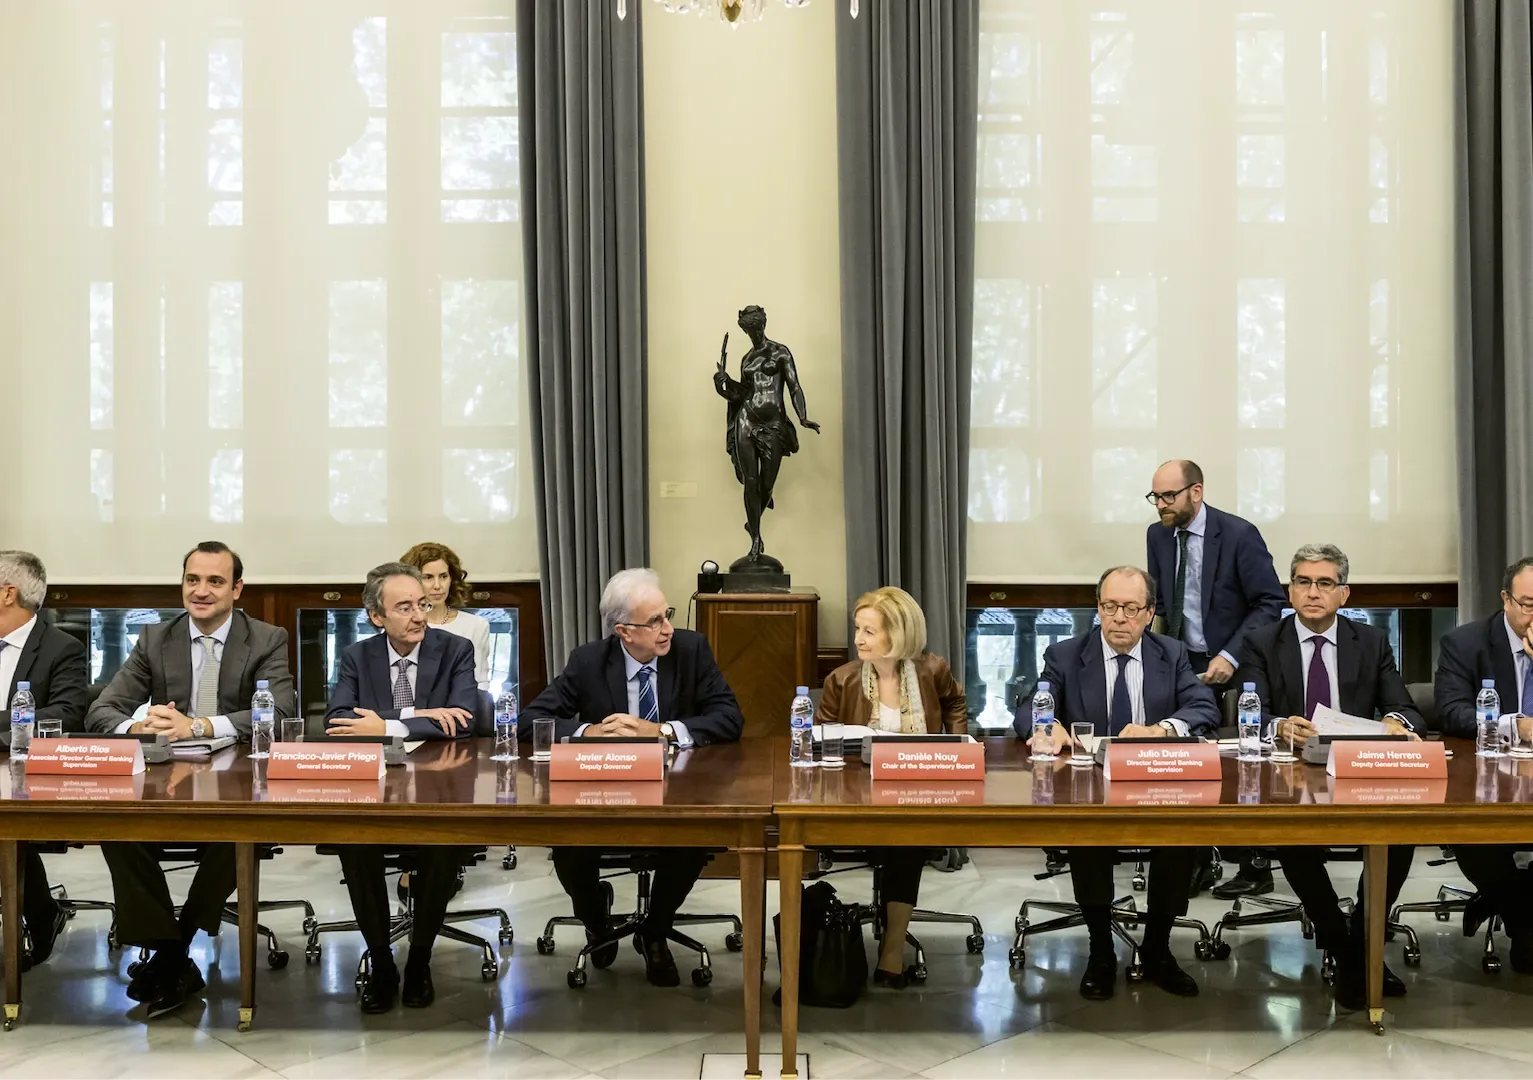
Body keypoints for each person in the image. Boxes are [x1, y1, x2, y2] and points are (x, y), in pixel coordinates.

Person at [84, 541, 295, 1018]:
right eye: (192, 580)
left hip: (240, 781)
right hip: (169, 780)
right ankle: (170, 951)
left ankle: (170, 956)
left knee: (235, 833)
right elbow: (102, 709)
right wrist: (138, 727)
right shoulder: (156, 639)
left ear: (237, 589)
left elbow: (281, 713)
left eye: (215, 581)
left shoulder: (266, 639)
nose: (201, 591)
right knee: (115, 826)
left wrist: (200, 726)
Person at [520, 568, 744, 986]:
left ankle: (655, 931)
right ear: (623, 631)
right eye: (654, 621)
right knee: (568, 846)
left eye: (667, 615)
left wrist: (660, 730)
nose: (668, 629)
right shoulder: (589, 661)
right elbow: (530, 720)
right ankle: (597, 924)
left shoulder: (691, 650)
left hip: (675, 792)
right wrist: (590, 731)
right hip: (603, 792)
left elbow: (730, 718)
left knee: (690, 841)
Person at [1013, 566, 1218, 1001]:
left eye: (1129, 608)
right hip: (1089, 788)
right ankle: (1100, 950)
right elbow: (1031, 706)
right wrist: (1047, 726)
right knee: (1088, 834)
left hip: (1158, 784)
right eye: (1109, 607)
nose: (1118, 618)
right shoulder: (1066, 654)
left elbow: (1203, 707)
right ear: (1098, 609)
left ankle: (1158, 948)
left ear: (1149, 613)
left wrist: (1162, 730)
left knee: (1180, 836)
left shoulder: (1172, 653)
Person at [1237, 543, 1423, 1010]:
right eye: (1303, 582)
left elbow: (1403, 707)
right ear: (1290, 590)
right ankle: (1343, 944)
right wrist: (1277, 724)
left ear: (1344, 593)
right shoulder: (1262, 641)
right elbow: (1244, 710)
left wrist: (1399, 723)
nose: (1313, 592)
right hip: (1293, 770)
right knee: (1290, 833)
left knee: (1398, 837)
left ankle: (1361, 944)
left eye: (1324, 583)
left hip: (1358, 770)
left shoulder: (1372, 641)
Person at [324, 561, 478, 1013]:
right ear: (377, 616)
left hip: (438, 787)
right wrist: (428, 718)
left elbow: (465, 720)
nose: (419, 616)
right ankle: (382, 960)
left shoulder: (455, 650)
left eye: (424, 605)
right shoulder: (357, 655)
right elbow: (337, 720)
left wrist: (385, 723)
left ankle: (420, 960)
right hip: (374, 789)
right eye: (406, 607)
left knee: (441, 846)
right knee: (355, 846)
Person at [1145, 459, 1284, 898]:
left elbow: (1269, 602)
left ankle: (1252, 863)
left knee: (1234, 763)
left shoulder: (1239, 534)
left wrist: (1230, 654)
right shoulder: (1158, 534)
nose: (1161, 506)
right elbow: (1162, 602)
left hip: (1235, 663)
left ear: (1196, 492)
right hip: (1181, 660)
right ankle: (1196, 859)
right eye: (1156, 497)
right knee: (1180, 757)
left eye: (1169, 496)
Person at [817, 586, 966, 989]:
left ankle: (892, 951)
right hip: (856, 798)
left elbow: (955, 704)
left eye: (869, 631)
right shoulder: (842, 680)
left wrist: (957, 747)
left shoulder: (931, 670)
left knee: (907, 840)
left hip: (919, 792)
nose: (858, 639)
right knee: (900, 839)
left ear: (897, 635)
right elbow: (822, 742)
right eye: (857, 629)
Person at [1435, 555, 1533, 974]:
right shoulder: (1466, 643)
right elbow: (1451, 712)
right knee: (1475, 839)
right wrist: (1516, 725)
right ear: (1506, 600)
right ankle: (1525, 920)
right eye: (1529, 604)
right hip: (1488, 778)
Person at [0, 550, 88, 971]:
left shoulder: (61, 648)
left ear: (7, 593)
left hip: (30, 773)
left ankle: (39, 913)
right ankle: (40, 911)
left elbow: (67, 714)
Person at [401, 542, 492, 690]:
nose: (438, 585)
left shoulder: (476, 626)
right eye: (428, 577)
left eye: (443, 576)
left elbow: (480, 683)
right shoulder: (401, 625)